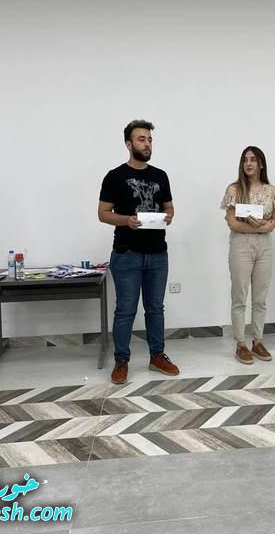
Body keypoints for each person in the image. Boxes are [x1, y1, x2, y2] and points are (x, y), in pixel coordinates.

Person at [98, 119, 179, 384]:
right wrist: (127, 220)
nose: (147, 144)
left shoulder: (161, 176)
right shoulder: (115, 176)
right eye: (141, 139)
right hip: (127, 253)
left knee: (155, 308)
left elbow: (169, 207)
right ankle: (121, 360)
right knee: (125, 310)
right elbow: (103, 213)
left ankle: (157, 356)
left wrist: (168, 216)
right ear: (128, 144)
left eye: (150, 139)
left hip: (158, 253)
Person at [220, 147, 275, 364]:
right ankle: (240, 343)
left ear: (261, 164)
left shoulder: (271, 190)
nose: (249, 163)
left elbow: (274, 221)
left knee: (261, 296)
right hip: (241, 244)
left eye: (253, 159)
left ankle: (257, 340)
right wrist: (261, 227)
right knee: (239, 294)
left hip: (265, 246)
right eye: (245, 160)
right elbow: (232, 223)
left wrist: (266, 228)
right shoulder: (234, 189)